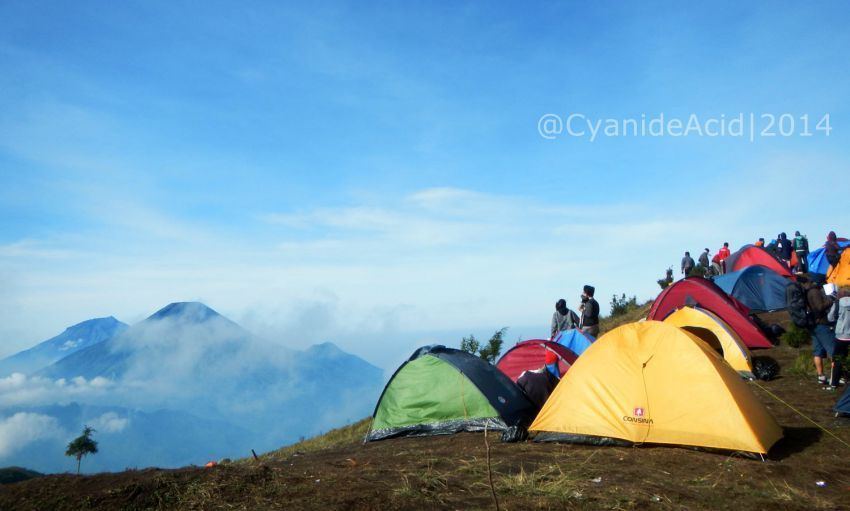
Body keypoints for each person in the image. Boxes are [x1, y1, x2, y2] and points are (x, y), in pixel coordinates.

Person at [807, 279, 837, 386]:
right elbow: (820, 307)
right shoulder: (815, 292)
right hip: (822, 325)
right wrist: (831, 299)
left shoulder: (809, 291)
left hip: (814, 325)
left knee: (818, 351)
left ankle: (821, 376)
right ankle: (836, 377)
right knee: (832, 350)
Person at [827, 287, 850, 390]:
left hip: (840, 336)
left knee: (837, 360)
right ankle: (847, 379)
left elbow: (830, 318)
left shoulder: (837, 303)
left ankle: (834, 383)